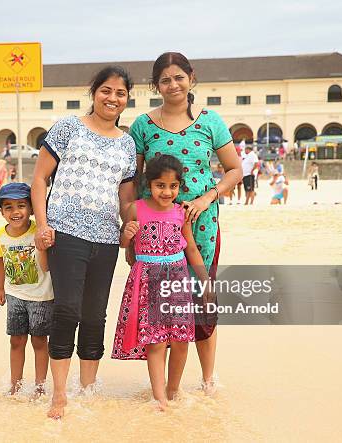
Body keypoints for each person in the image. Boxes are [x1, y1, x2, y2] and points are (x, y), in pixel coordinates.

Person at [129, 52, 242, 396]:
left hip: (201, 227)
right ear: (155, 86)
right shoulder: (142, 125)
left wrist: (208, 197)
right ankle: (164, 390)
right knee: (162, 308)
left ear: (192, 78)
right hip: (153, 234)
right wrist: (130, 232)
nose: (173, 85)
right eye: (165, 79)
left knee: (201, 299)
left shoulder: (211, 121)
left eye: (179, 77)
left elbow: (235, 170)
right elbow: (134, 179)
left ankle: (208, 380)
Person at [31, 66, 137, 419]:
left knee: (94, 316)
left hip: (106, 239)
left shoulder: (126, 143)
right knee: (67, 310)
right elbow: (39, 179)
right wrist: (42, 227)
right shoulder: (67, 128)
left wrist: (128, 225)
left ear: (127, 99)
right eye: (106, 90)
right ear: (94, 92)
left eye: (120, 93)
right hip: (66, 232)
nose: (113, 98)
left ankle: (88, 391)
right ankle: (59, 394)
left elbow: (125, 196)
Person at [112, 155, 213, 410]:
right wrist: (126, 235)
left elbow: (190, 248)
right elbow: (125, 244)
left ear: (179, 186)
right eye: (160, 185)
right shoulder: (136, 208)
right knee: (156, 341)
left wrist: (205, 281)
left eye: (173, 186)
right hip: (148, 281)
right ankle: (159, 398)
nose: (167, 192)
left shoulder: (181, 213)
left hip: (177, 280)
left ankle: (173, 389)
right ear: (149, 183)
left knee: (180, 340)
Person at [0, 183, 54, 398]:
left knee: (39, 340)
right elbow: (0, 260)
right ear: (1, 212)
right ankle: (15, 386)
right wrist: (0, 288)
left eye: (21, 206)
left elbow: (46, 267)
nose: (15, 212)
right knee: (16, 340)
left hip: (41, 296)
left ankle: (39, 387)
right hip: (14, 295)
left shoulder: (39, 231)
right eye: (8, 207)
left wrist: (42, 246)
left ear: (32, 209)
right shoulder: (1, 235)